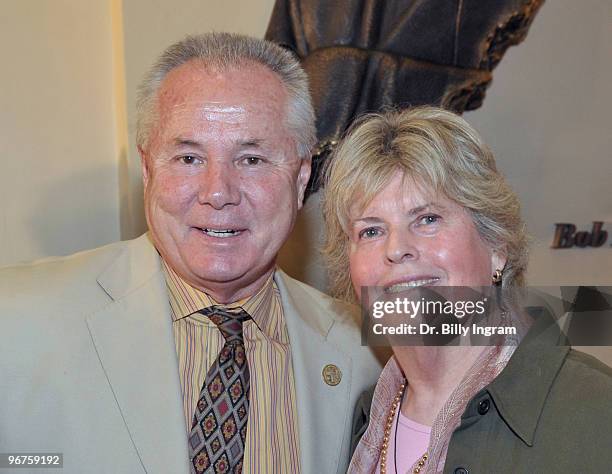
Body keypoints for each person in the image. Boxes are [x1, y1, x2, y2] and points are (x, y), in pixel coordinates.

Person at [0, 33, 382, 474]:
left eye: (252, 159)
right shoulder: (15, 317)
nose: (218, 193)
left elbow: (474, 332)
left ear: (300, 179)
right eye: (188, 158)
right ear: (147, 171)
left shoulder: (367, 341)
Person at [322, 106, 612, 473]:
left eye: (427, 219)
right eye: (371, 231)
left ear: (496, 248)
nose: (396, 249)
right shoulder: (353, 422)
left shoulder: (595, 414)